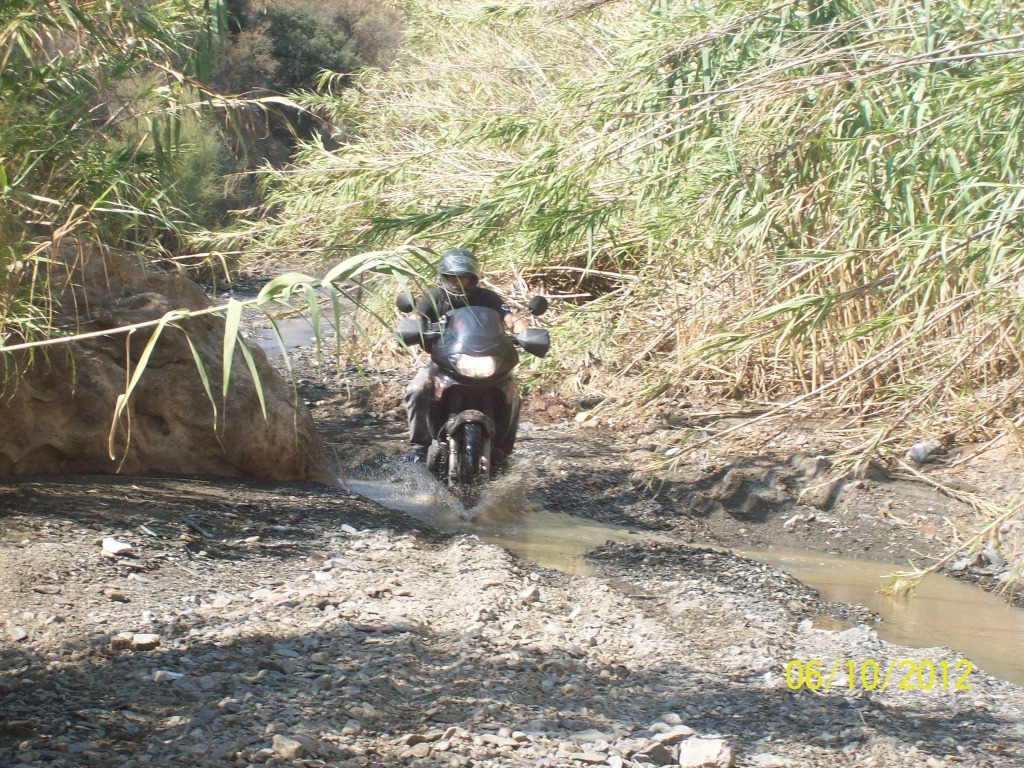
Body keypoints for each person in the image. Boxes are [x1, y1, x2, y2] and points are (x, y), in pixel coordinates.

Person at [404, 248, 526, 460]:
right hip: (444, 363)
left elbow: (510, 318)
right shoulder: (433, 297)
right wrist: (412, 328)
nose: (457, 282)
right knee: (416, 389)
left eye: (463, 278)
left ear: (473, 279)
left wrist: (525, 333)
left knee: (512, 393)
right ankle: (419, 446)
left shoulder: (488, 298)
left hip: (488, 360)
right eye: (452, 277)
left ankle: (505, 448)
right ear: (444, 277)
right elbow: (418, 317)